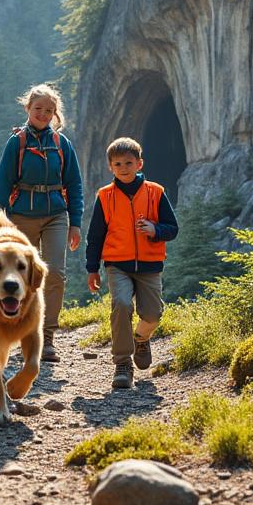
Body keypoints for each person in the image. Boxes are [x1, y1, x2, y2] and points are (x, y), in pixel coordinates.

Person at [0, 84, 84, 362]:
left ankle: (47, 336)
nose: (43, 114)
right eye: (38, 109)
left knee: (54, 273)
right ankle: (23, 333)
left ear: (56, 114)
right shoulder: (16, 143)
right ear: (27, 109)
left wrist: (75, 223)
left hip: (56, 215)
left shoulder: (61, 144)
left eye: (49, 110)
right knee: (21, 276)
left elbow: (74, 185)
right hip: (20, 218)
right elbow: (2, 186)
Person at [85, 137, 178, 389]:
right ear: (110, 167)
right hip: (117, 264)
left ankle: (141, 338)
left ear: (139, 164)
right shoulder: (105, 197)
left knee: (153, 314)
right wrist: (92, 269)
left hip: (150, 265)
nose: (123, 167)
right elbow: (95, 236)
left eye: (128, 162)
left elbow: (173, 229)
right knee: (122, 304)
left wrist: (154, 229)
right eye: (117, 163)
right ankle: (123, 365)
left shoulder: (155, 192)